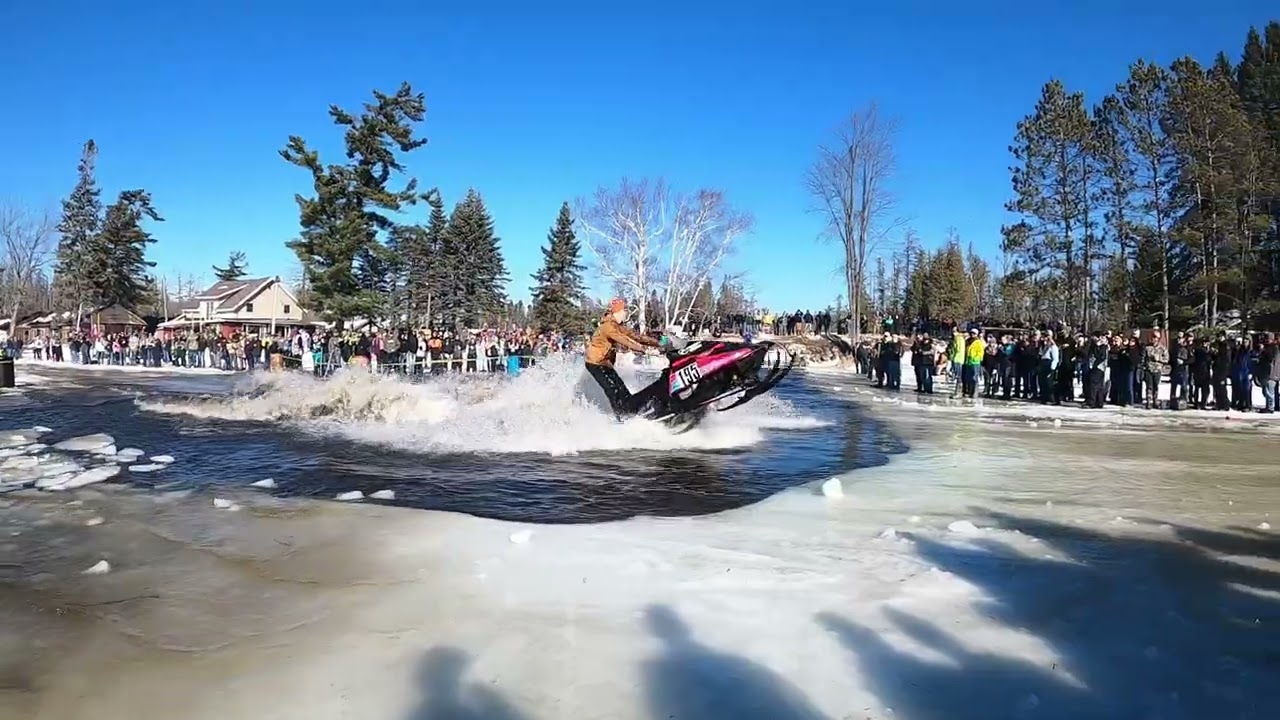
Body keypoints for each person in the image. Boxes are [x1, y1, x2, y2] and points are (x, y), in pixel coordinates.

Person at [585, 298, 663, 417]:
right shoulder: (607, 327)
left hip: (606, 363)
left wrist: (657, 343)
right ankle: (621, 416)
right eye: (624, 311)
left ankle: (632, 410)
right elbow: (624, 340)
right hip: (595, 363)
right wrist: (645, 350)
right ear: (618, 312)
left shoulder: (617, 325)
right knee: (612, 389)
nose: (626, 314)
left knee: (622, 389)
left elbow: (635, 336)